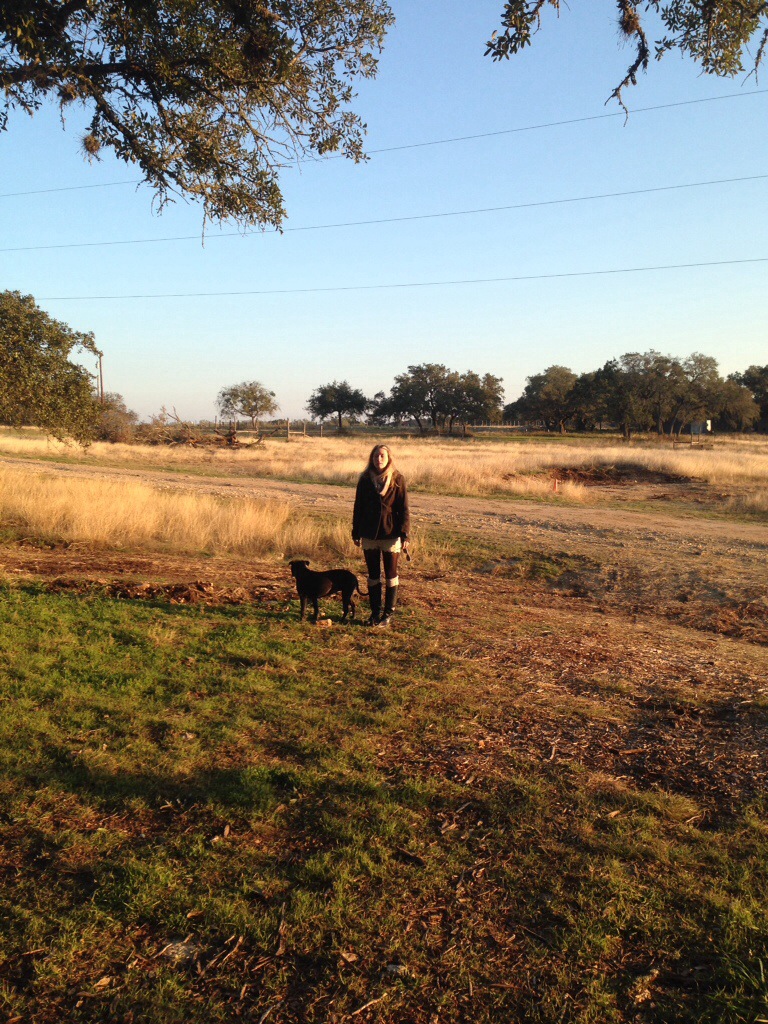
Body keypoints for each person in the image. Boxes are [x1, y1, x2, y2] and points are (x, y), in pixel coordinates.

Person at [352, 444, 410, 627]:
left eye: (382, 456)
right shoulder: (364, 480)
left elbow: (404, 509)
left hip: (390, 533)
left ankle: (388, 613)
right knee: (373, 575)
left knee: (391, 575)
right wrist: (356, 531)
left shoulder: (398, 479)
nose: (379, 459)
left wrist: (405, 535)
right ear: (372, 458)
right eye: (376, 456)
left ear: (388, 458)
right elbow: (358, 507)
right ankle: (375, 612)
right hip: (368, 533)